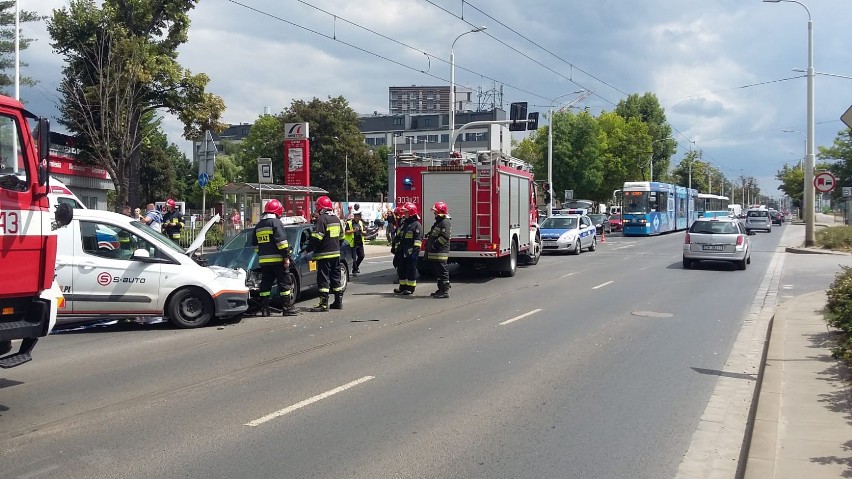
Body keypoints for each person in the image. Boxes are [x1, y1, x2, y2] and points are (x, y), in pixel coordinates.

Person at [252, 199, 297, 316]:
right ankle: (287, 308)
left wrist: (262, 254)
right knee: (285, 283)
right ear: (277, 211)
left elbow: (255, 245)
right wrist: (286, 257)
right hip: (278, 260)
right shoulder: (276, 223)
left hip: (264, 261)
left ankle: (265, 309)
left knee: (265, 285)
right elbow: (281, 242)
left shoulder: (259, 225)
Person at [306, 195, 345, 311]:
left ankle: (323, 304)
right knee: (335, 278)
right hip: (336, 255)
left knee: (323, 279)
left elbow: (317, 237)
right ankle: (338, 302)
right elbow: (342, 237)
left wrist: (308, 249)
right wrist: (336, 246)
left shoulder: (322, 219)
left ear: (320, 207)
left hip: (324, 255)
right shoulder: (336, 219)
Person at [394, 202, 422, 296]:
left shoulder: (416, 225)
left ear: (411, 213)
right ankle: (402, 287)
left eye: (406, 212)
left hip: (410, 252)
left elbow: (418, 241)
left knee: (410, 270)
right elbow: (398, 236)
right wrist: (395, 248)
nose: (404, 214)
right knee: (401, 269)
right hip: (402, 251)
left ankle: (410, 288)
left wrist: (415, 253)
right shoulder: (403, 223)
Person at [426, 201, 452, 298]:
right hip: (436, 252)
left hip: (440, 252)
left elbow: (445, 237)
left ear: (441, 212)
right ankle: (440, 289)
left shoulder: (445, 222)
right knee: (438, 272)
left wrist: (435, 245)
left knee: (442, 272)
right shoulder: (439, 222)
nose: (434, 213)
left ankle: (444, 291)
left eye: (436, 212)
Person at [344, 210, 366, 276]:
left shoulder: (361, 223)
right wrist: (353, 231)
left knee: (361, 256)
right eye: (358, 216)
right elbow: (346, 232)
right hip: (352, 243)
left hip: (360, 242)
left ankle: (355, 267)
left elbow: (365, 232)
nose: (359, 217)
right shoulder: (349, 223)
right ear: (355, 216)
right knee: (353, 258)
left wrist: (362, 232)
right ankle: (355, 270)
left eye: (359, 216)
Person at [389, 205, 405, 285]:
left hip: (401, 248)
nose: (395, 217)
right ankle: (401, 278)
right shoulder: (399, 223)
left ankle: (402, 279)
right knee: (397, 262)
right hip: (398, 248)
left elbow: (400, 237)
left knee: (399, 263)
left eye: (396, 215)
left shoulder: (402, 223)